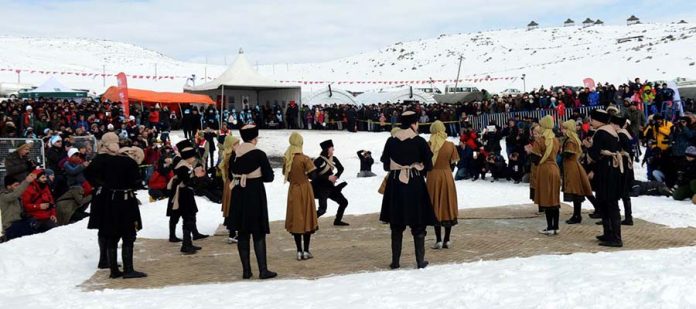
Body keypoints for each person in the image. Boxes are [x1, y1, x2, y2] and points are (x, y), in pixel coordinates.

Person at [85, 133, 147, 279]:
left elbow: (89, 174)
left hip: (108, 199)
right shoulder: (125, 162)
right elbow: (135, 182)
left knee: (110, 232)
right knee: (128, 234)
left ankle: (111, 267)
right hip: (123, 200)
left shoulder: (105, 159)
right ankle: (128, 269)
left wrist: (102, 185)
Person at [380, 111, 436, 269]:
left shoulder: (391, 141)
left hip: (396, 183)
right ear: (414, 123)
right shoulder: (419, 141)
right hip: (414, 183)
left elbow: (385, 164)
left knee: (396, 224)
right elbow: (429, 165)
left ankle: (395, 261)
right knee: (418, 223)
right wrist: (417, 167)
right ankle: (420, 261)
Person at [226, 125, 277, 279]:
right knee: (258, 233)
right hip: (255, 194)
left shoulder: (234, 155)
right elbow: (269, 177)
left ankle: (246, 271)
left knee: (242, 233)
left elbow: (230, 175)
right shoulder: (259, 154)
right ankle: (263, 270)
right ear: (254, 138)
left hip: (238, 196)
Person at [588, 110, 624, 247]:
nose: (591, 122)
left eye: (592, 119)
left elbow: (595, 154)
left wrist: (589, 148)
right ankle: (608, 233)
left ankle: (615, 237)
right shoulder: (613, 132)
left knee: (609, 203)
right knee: (606, 202)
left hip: (605, 170)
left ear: (598, 120)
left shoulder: (601, 133)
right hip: (612, 169)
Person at [167, 140, 208, 253]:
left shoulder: (185, 165)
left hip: (185, 193)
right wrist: (196, 175)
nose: (194, 158)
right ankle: (185, 244)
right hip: (183, 195)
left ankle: (188, 242)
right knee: (187, 218)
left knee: (189, 218)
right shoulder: (183, 166)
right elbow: (187, 181)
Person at [283, 132, 319, 261]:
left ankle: (298, 250)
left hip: (293, 189)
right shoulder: (305, 158)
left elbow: (286, 176)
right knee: (306, 218)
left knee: (296, 219)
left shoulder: (287, 158)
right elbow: (314, 176)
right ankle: (306, 250)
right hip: (305, 189)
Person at [426, 121, 460, 249]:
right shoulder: (450, 145)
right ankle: (447, 239)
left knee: (435, 205)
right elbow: (453, 164)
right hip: (446, 176)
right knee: (447, 205)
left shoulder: (428, 145)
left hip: (433, 177)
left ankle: (438, 240)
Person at [525, 115, 561, 235]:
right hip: (555, 169)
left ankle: (550, 227)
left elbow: (535, 159)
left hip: (545, 169)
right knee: (554, 198)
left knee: (547, 198)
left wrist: (530, 152)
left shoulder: (540, 140)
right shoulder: (555, 140)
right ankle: (556, 226)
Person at [560, 120, 593, 224]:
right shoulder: (573, 139)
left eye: (564, 128)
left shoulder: (570, 141)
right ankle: (577, 214)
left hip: (572, 167)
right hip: (572, 166)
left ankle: (577, 215)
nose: (562, 130)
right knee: (579, 191)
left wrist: (560, 152)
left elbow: (569, 154)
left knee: (576, 191)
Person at [312, 140, 350, 226]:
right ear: (327, 149)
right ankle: (310, 222)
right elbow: (314, 176)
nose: (333, 150)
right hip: (321, 188)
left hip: (330, 187)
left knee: (344, 202)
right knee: (322, 210)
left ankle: (337, 220)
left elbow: (341, 168)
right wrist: (328, 177)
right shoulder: (318, 161)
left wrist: (336, 176)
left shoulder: (334, 158)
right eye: (332, 148)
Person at [0, 173, 37, 241]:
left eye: (18, 185)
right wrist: (26, 181)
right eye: (16, 185)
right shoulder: (3, 196)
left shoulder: (17, 198)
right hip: (10, 226)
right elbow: (15, 194)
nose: (18, 187)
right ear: (8, 187)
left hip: (18, 224)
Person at [219, 135, 241, 243]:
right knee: (233, 208)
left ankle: (233, 232)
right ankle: (232, 233)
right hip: (233, 184)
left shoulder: (229, 155)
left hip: (230, 184)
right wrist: (238, 184)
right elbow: (234, 174)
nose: (238, 145)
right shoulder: (232, 156)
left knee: (231, 208)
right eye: (236, 144)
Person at [614, 116, 635, 225]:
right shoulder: (626, 133)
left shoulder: (621, 134)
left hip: (623, 165)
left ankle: (628, 217)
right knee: (624, 192)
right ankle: (628, 216)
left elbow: (623, 150)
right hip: (626, 165)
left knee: (623, 192)